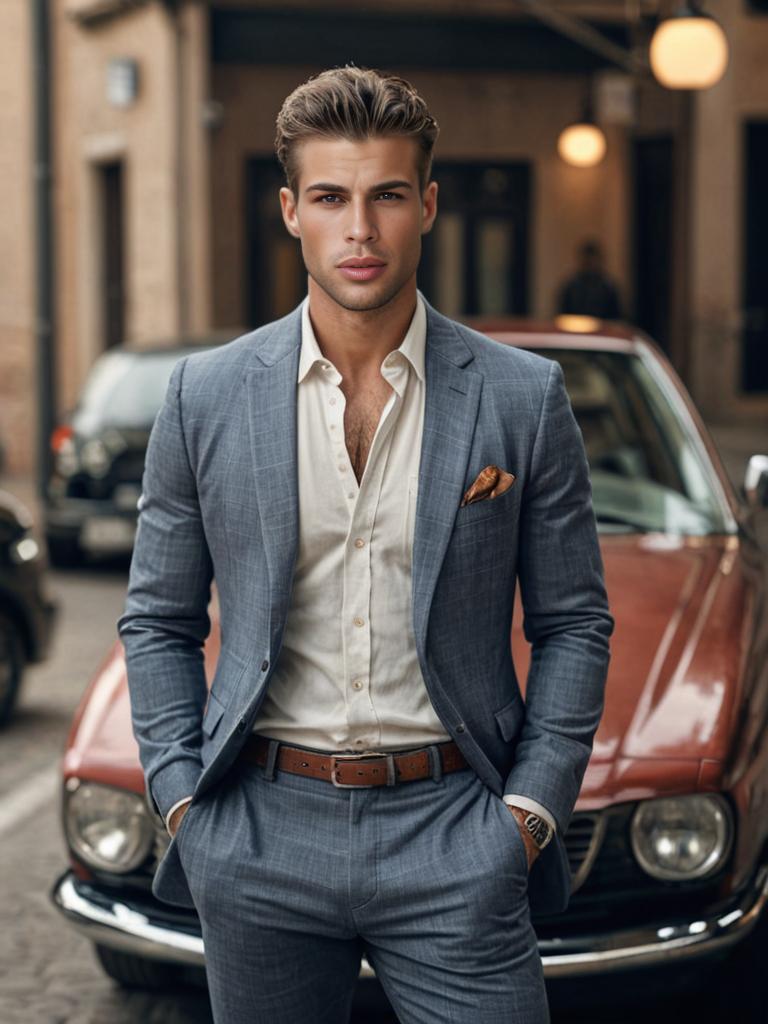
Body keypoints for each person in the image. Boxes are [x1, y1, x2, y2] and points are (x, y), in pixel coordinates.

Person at [118, 67, 613, 1024]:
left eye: (387, 195)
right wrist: (184, 803)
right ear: (290, 211)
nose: (361, 229)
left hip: (455, 829)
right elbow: (157, 618)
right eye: (331, 198)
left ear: (426, 205)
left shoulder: (521, 396)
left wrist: (528, 815)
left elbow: (575, 622)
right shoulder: (205, 396)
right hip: (259, 830)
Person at [557, 239, 622, 320]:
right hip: (576, 328)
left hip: (603, 328)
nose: (590, 263)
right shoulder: (571, 287)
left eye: (593, 260)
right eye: (587, 260)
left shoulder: (608, 288)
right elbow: (563, 315)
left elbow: (616, 317)